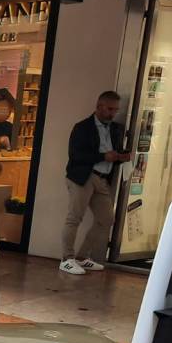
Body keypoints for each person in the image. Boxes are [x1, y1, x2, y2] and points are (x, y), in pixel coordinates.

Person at [60, 90, 131, 275]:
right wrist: (103, 156)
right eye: (109, 109)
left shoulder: (115, 128)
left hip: (102, 178)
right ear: (99, 106)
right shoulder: (83, 127)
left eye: (115, 110)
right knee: (74, 217)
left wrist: (120, 156)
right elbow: (75, 155)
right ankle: (66, 258)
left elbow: (112, 151)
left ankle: (82, 257)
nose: (112, 113)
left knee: (106, 218)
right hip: (83, 176)